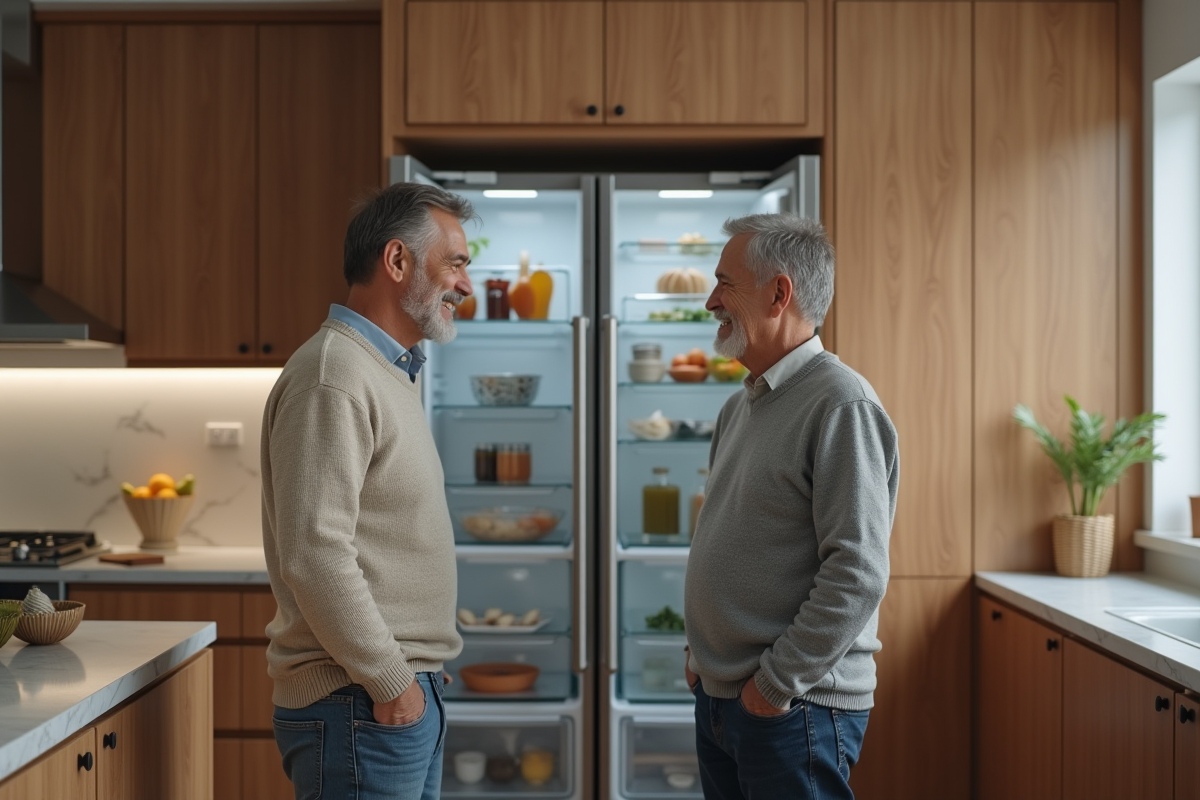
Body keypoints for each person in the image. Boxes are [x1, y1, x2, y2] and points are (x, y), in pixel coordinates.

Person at [260, 182, 476, 800]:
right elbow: (315, 552)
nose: (465, 285)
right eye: (455, 263)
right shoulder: (336, 375)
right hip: (360, 701)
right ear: (397, 261)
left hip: (389, 696)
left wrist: (415, 678)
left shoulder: (385, 371)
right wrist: (390, 680)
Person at [683, 214, 899, 800]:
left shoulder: (841, 402)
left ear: (779, 293)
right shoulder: (740, 406)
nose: (710, 302)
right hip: (728, 697)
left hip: (794, 708)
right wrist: (701, 656)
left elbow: (857, 572)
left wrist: (773, 688)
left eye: (725, 283)